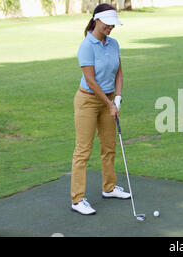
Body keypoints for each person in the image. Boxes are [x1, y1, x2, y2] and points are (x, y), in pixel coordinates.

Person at [70, 3, 130, 215]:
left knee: (109, 146)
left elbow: (119, 72)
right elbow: (91, 80)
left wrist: (118, 97)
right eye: (108, 24)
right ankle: (77, 200)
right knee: (83, 151)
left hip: (109, 100)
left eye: (114, 25)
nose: (111, 28)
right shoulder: (86, 46)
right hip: (88, 101)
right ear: (97, 20)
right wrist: (109, 103)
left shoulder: (113, 44)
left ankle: (110, 188)